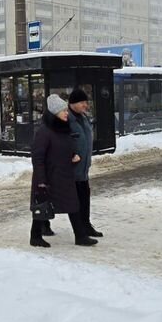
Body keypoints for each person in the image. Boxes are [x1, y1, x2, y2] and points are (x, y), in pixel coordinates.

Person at [30, 94, 96, 248]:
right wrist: (41, 181)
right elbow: (38, 157)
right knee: (43, 206)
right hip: (49, 177)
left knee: (73, 205)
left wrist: (73, 155)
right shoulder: (44, 131)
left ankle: (80, 236)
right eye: (63, 111)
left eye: (66, 110)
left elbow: (65, 146)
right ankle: (35, 236)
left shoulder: (63, 128)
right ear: (54, 113)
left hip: (64, 175)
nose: (67, 113)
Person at [68, 88, 102, 239]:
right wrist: (70, 154)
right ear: (73, 103)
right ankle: (41, 224)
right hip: (71, 169)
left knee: (84, 197)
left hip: (83, 168)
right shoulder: (66, 119)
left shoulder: (83, 117)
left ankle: (86, 225)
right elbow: (60, 141)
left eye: (86, 102)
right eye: (82, 102)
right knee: (72, 201)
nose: (85, 105)